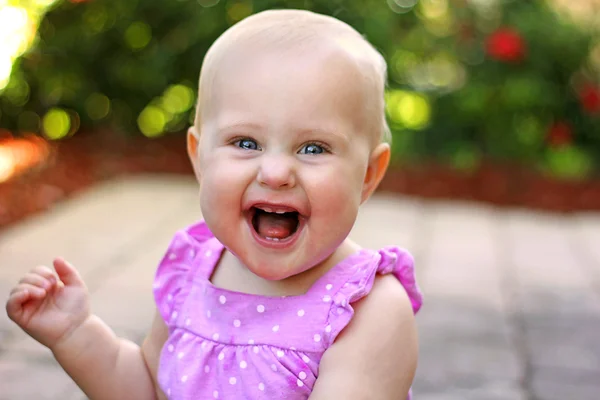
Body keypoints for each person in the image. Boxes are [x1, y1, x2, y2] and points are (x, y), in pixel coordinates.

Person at [5, 9, 423, 400]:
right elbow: (148, 388)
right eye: (245, 143)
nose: (276, 172)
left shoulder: (368, 310)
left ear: (368, 174)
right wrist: (74, 334)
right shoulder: (192, 273)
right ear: (199, 157)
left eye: (313, 148)